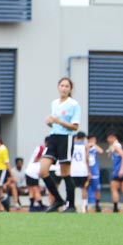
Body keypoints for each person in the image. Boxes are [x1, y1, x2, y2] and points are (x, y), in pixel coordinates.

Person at [39, 77, 81, 213]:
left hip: (66, 138)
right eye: (62, 85)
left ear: (70, 89)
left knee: (65, 173)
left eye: (66, 86)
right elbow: (54, 122)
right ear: (58, 87)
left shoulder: (74, 104)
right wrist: (50, 122)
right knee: (43, 170)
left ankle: (72, 205)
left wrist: (58, 121)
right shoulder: (54, 103)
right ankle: (58, 199)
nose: (63, 88)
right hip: (53, 137)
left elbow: (75, 127)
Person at [0, 133, 20, 211]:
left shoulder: (3, 149)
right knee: (0, 193)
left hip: (2, 170)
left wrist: (12, 175)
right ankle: (6, 208)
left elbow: (7, 163)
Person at [106, 131, 123, 213]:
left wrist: (121, 169)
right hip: (121, 170)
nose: (108, 139)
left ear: (113, 137)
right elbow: (109, 155)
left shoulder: (117, 146)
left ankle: (115, 207)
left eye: (110, 138)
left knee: (114, 188)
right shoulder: (114, 146)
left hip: (118, 170)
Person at [70, 131, 90, 213]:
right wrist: (89, 171)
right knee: (84, 188)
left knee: (71, 188)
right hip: (83, 170)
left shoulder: (71, 146)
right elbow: (87, 158)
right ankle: (84, 206)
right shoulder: (85, 146)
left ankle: (71, 205)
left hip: (73, 170)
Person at [25, 137, 48, 212]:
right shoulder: (41, 149)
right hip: (33, 172)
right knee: (35, 189)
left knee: (31, 189)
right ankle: (41, 205)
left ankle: (31, 206)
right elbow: (36, 159)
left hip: (30, 171)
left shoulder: (41, 148)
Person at [86, 134, 104, 212]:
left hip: (95, 170)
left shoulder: (95, 147)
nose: (93, 141)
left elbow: (101, 151)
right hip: (86, 170)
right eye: (92, 139)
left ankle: (97, 204)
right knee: (85, 187)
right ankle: (85, 204)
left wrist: (94, 145)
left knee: (97, 188)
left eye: (94, 139)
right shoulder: (85, 147)